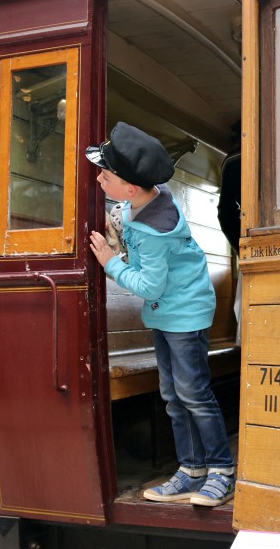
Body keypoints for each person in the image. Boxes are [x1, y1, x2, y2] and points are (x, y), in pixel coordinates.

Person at [87, 122, 235, 507]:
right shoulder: (145, 199)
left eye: (105, 174)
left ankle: (221, 471)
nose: (99, 177)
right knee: (172, 394)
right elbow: (125, 213)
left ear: (130, 187)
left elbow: (149, 286)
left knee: (193, 394)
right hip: (168, 314)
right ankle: (191, 469)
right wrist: (114, 220)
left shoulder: (157, 229)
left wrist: (109, 262)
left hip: (184, 316)